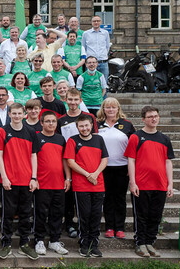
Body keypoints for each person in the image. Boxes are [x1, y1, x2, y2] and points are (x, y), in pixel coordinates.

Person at [126, 106, 175, 258]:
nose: (153, 119)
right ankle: (140, 243)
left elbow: (168, 162)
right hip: (142, 184)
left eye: (155, 116)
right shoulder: (136, 137)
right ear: (143, 119)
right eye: (150, 116)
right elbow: (131, 160)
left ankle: (150, 243)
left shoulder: (164, 139)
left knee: (155, 215)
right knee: (141, 215)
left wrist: (170, 184)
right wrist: (133, 183)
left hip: (160, 184)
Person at [0, 103, 40, 260]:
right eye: (14, 113)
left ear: (24, 114)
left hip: (27, 181)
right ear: (10, 114)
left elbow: (34, 156)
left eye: (20, 113)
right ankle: (6, 244)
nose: (17, 116)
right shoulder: (3, 131)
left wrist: (34, 178)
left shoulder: (31, 132)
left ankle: (24, 245)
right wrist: (4, 177)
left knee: (26, 214)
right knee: (7, 214)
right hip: (9, 181)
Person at [64, 113, 108, 258]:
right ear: (77, 127)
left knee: (96, 216)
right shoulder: (72, 140)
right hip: (81, 185)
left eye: (86, 125)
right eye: (81, 126)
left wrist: (95, 174)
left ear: (91, 126)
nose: (84, 128)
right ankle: (84, 244)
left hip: (98, 184)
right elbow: (70, 162)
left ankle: (94, 244)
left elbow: (105, 159)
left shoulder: (99, 139)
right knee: (84, 215)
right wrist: (88, 175)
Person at [97, 97, 136, 240]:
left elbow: (134, 147)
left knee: (119, 198)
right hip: (104, 167)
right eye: (108, 107)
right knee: (107, 198)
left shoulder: (127, 125)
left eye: (114, 107)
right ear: (104, 109)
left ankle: (119, 227)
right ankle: (109, 227)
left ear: (118, 109)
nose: (111, 110)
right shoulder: (98, 125)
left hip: (122, 167)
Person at [33, 111, 70, 256]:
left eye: (53, 121)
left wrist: (68, 178)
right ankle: (39, 240)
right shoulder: (36, 137)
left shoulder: (61, 139)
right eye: (47, 121)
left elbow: (64, 160)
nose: (51, 124)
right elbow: (32, 159)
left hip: (59, 183)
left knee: (57, 213)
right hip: (42, 183)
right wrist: (34, 178)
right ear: (41, 123)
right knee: (41, 213)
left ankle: (54, 240)